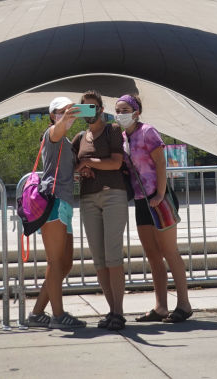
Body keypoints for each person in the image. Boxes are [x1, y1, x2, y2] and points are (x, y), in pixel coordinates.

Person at [117, 94, 193, 324]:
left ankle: (184, 304)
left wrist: (160, 193)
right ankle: (161, 306)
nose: (120, 114)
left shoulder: (148, 131)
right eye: (117, 110)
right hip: (141, 201)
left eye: (124, 110)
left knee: (170, 251)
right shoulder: (123, 138)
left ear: (136, 112)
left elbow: (161, 162)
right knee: (152, 254)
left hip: (159, 198)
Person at [26, 96, 87, 330]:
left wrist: (81, 167)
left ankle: (38, 312)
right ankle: (58, 315)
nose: (67, 115)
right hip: (53, 203)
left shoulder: (65, 139)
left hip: (65, 204)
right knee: (54, 262)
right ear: (53, 115)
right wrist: (66, 118)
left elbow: (65, 169)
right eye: (61, 111)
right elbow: (58, 129)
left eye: (70, 110)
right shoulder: (52, 133)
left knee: (66, 263)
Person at [73, 90, 129, 331]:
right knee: (99, 259)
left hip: (113, 195)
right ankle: (110, 310)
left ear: (101, 108)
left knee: (113, 254)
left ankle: (119, 312)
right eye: (85, 108)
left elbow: (116, 162)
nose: (90, 112)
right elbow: (74, 167)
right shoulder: (79, 137)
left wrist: (89, 162)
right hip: (88, 198)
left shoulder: (112, 130)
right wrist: (81, 170)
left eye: (93, 107)